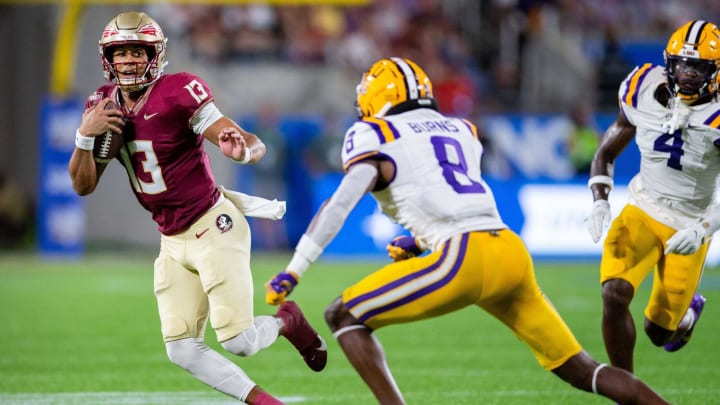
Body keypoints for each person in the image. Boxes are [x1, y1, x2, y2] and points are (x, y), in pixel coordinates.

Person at [265, 57, 670, 404]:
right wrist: (422, 239)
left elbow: (340, 203)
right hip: (508, 250)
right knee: (583, 369)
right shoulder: (460, 129)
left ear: (376, 98)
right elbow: (455, 199)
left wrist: (296, 267)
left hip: (464, 259)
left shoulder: (373, 133)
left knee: (344, 314)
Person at [67, 12, 326, 405]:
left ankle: (287, 321)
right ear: (107, 58)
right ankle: (265, 402)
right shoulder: (101, 105)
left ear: (155, 54)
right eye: (120, 52)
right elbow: (83, 184)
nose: (128, 61)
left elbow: (240, 136)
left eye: (138, 51)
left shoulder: (178, 91)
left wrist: (242, 149)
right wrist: (85, 137)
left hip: (212, 224)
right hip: (170, 238)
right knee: (181, 348)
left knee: (239, 340)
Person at [586, 19, 718, 374]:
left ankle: (688, 313)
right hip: (644, 207)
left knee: (660, 333)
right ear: (668, 62)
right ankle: (626, 390)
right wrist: (600, 199)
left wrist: (704, 228)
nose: (688, 74)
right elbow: (606, 150)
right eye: (681, 64)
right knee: (613, 294)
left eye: (699, 67)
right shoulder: (643, 86)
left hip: (689, 222)